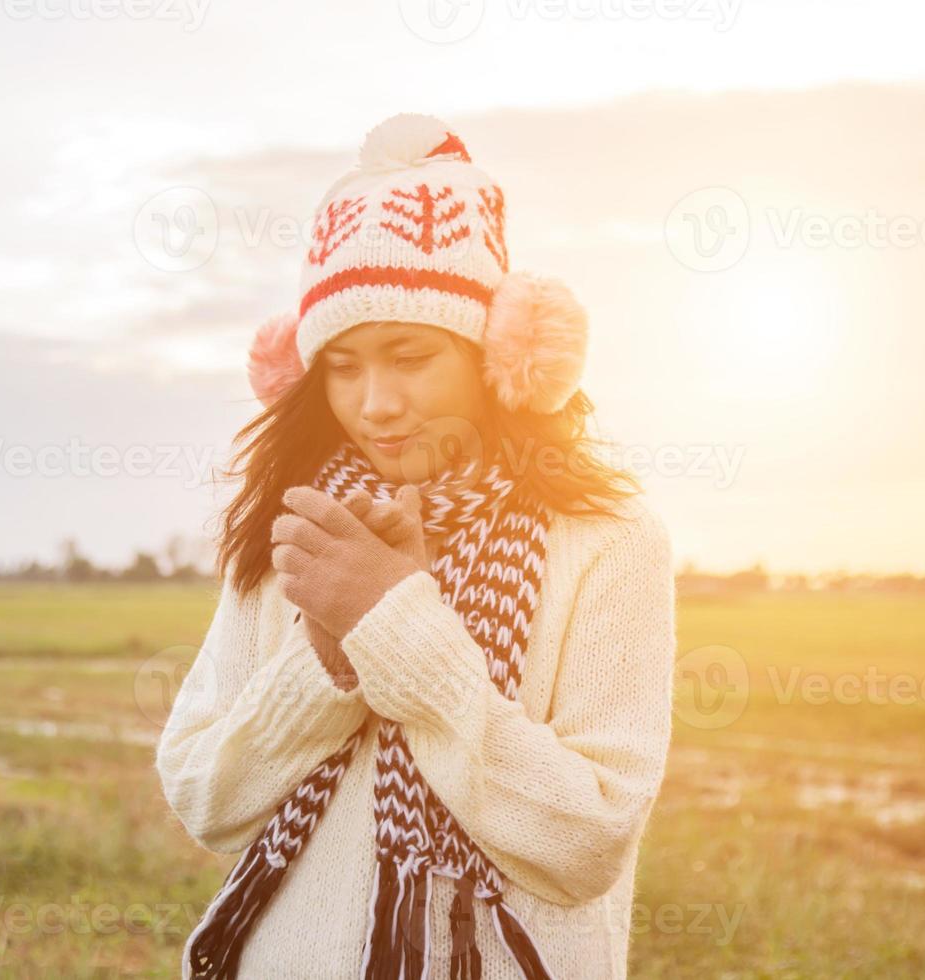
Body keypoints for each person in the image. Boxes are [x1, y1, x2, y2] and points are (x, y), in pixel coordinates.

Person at [155, 112, 677, 980]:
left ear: (498, 355)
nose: (376, 402)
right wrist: (327, 664)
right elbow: (209, 798)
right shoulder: (299, 532)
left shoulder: (610, 543)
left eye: (410, 355)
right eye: (344, 366)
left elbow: (585, 841)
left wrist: (395, 630)